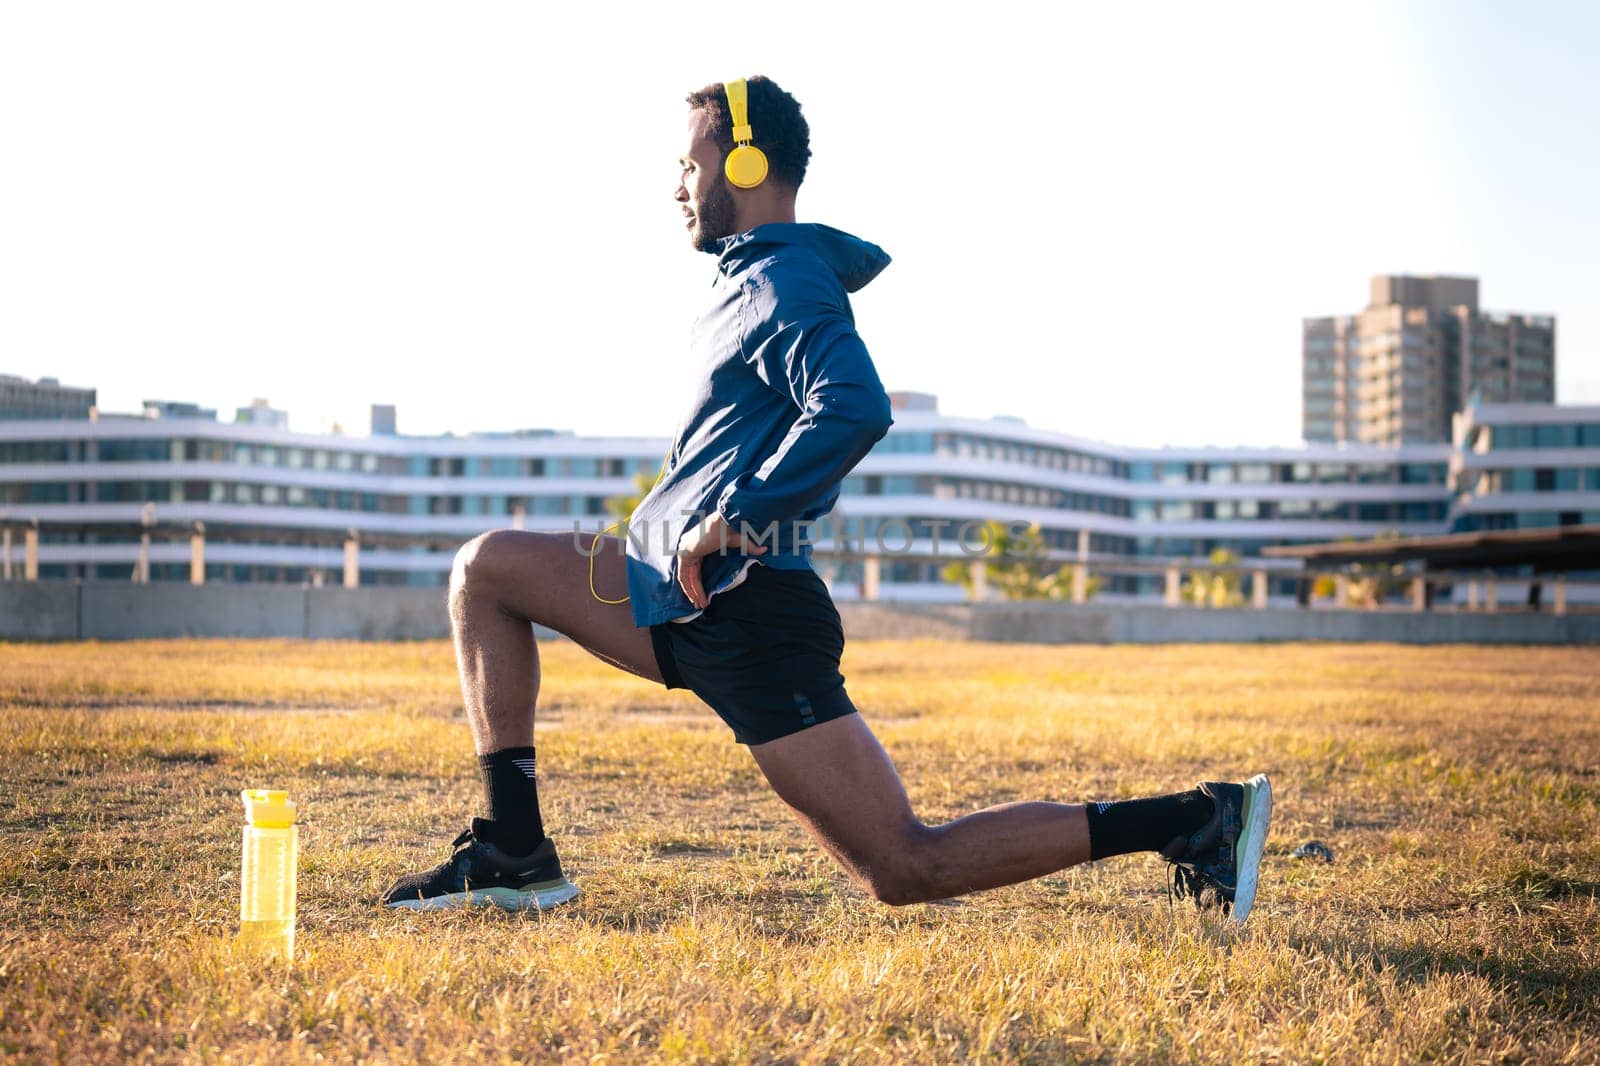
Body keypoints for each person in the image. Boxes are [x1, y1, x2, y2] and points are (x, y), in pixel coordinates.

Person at [381, 76, 1273, 921]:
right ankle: (513, 847)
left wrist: (740, 514)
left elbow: (852, 405)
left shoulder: (782, 279)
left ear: (744, 166)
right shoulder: (746, 276)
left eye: (690, 165)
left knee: (904, 865)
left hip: (746, 611)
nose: (677, 188)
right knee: (488, 570)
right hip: (671, 593)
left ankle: (1189, 822)